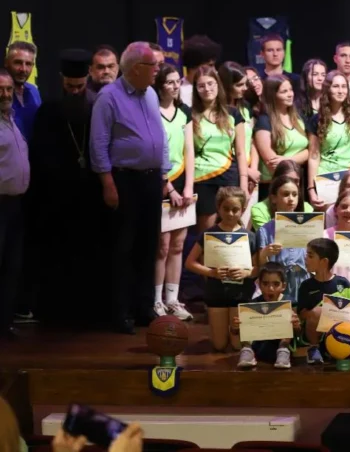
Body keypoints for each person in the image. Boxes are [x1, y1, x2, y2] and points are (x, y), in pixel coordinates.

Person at [90, 42, 169, 334]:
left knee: (149, 245)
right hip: (124, 179)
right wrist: (107, 183)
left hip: (151, 179)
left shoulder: (150, 93)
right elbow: (98, 143)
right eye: (153, 66)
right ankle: (120, 312)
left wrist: (163, 174)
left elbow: (160, 135)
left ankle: (144, 307)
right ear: (136, 69)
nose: (157, 70)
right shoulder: (108, 97)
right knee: (124, 247)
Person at [24, 50, 99, 324]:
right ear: (61, 80)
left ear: (87, 79)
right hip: (56, 199)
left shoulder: (97, 108)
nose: (75, 91)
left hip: (90, 197)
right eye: (70, 86)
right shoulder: (49, 110)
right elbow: (39, 154)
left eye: (79, 86)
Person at [185, 186, 257, 353]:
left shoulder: (250, 237)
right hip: (216, 293)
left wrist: (246, 272)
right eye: (226, 209)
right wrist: (211, 273)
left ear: (243, 209)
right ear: (218, 208)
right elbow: (189, 263)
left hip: (241, 294)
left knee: (238, 345)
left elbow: (257, 268)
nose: (230, 213)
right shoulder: (208, 234)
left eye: (235, 209)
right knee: (219, 345)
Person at [154, 64, 194, 320]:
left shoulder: (184, 113)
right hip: (162, 182)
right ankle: (156, 300)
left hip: (182, 181)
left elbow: (189, 150)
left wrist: (188, 186)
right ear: (159, 86)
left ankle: (172, 299)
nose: (175, 86)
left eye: (177, 81)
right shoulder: (152, 111)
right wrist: (168, 188)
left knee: (178, 244)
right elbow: (155, 151)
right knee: (162, 246)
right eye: (169, 82)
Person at [191, 66, 248, 231]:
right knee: (206, 232)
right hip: (203, 179)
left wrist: (244, 184)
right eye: (201, 86)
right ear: (196, 89)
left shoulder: (233, 113)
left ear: (218, 84)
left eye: (210, 84)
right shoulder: (190, 114)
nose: (207, 89)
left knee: (232, 227)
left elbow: (240, 152)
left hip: (229, 177)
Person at [297, 237, 350, 365]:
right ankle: (314, 349)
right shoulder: (306, 286)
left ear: (324, 262)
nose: (305, 259)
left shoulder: (343, 283)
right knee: (317, 312)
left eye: (310, 256)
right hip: (316, 333)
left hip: (340, 332)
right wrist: (320, 314)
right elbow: (301, 314)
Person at [0, 69, 29, 338]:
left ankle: (5, 323)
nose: (5, 94)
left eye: (9, 89)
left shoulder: (12, 119)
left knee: (12, 266)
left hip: (15, 205)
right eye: (0, 89)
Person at [230, 263, 301, 369]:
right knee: (245, 319)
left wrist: (296, 326)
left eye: (276, 284)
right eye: (265, 283)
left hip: (281, 349)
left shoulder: (291, 303)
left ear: (283, 286)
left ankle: (283, 351)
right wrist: (235, 327)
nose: (270, 288)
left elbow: (298, 333)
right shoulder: (252, 305)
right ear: (259, 284)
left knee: (288, 315)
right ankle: (247, 351)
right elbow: (235, 331)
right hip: (258, 350)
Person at [306, 71, 350, 196]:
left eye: (344, 86)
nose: (340, 91)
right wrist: (311, 189)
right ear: (327, 89)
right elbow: (314, 156)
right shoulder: (317, 120)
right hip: (326, 179)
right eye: (336, 86)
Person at [256, 176, 312, 307]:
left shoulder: (309, 226)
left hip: (303, 281)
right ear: (274, 198)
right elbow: (262, 267)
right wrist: (265, 253)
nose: (291, 199)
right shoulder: (264, 230)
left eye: (295, 194)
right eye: (286, 194)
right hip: (277, 286)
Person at [254, 76, 309, 201]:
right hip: (274, 185)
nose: (290, 94)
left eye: (290, 90)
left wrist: (288, 160)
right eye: (284, 91)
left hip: (297, 181)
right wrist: (296, 161)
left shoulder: (298, 118)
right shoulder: (265, 120)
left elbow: (309, 151)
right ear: (273, 95)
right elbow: (272, 162)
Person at [219, 62, 260, 200]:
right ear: (226, 85)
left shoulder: (246, 107)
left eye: (245, 84)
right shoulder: (219, 112)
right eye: (239, 85)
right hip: (229, 174)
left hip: (250, 174)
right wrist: (246, 172)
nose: (245, 88)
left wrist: (253, 169)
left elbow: (252, 141)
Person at [4, 42, 40, 140]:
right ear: (6, 62)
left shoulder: (34, 91)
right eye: (18, 62)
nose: (23, 69)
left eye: (28, 64)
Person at [179, 35, 221, 107]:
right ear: (194, 66)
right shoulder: (180, 92)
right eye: (210, 65)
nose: (214, 70)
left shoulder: (217, 85)